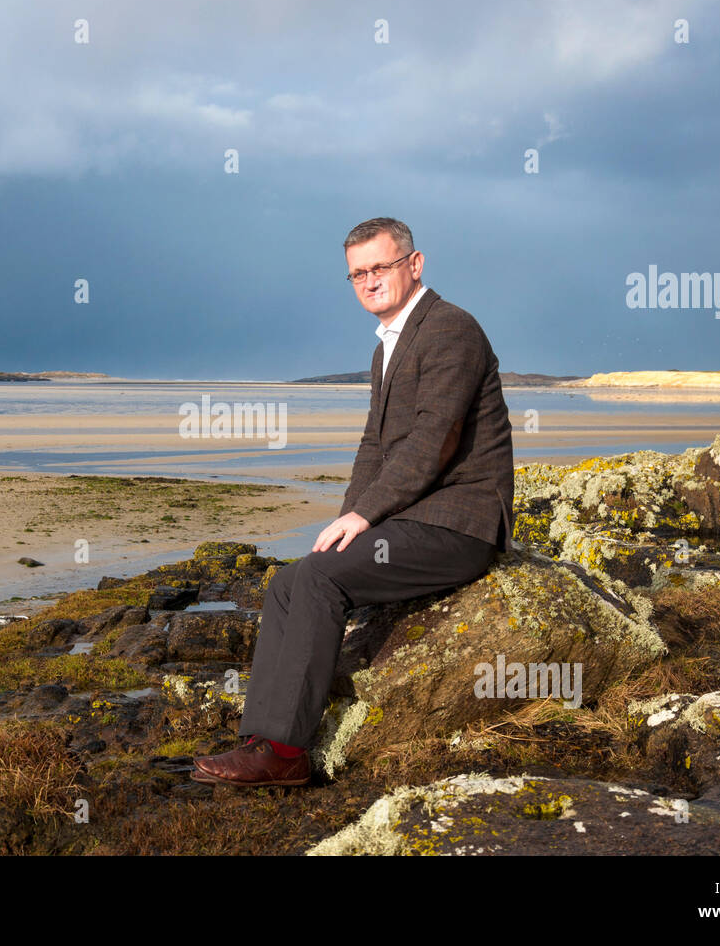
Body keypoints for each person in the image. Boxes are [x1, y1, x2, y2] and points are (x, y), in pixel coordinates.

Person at [191, 217, 515, 787]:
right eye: (357, 273)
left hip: (460, 524)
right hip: (416, 518)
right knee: (291, 579)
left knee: (320, 581)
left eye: (380, 267)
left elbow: (433, 439)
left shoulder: (449, 329)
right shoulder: (386, 347)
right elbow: (374, 447)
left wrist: (366, 517)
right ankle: (261, 738)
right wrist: (347, 520)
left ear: (414, 265)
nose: (369, 281)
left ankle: (286, 756)